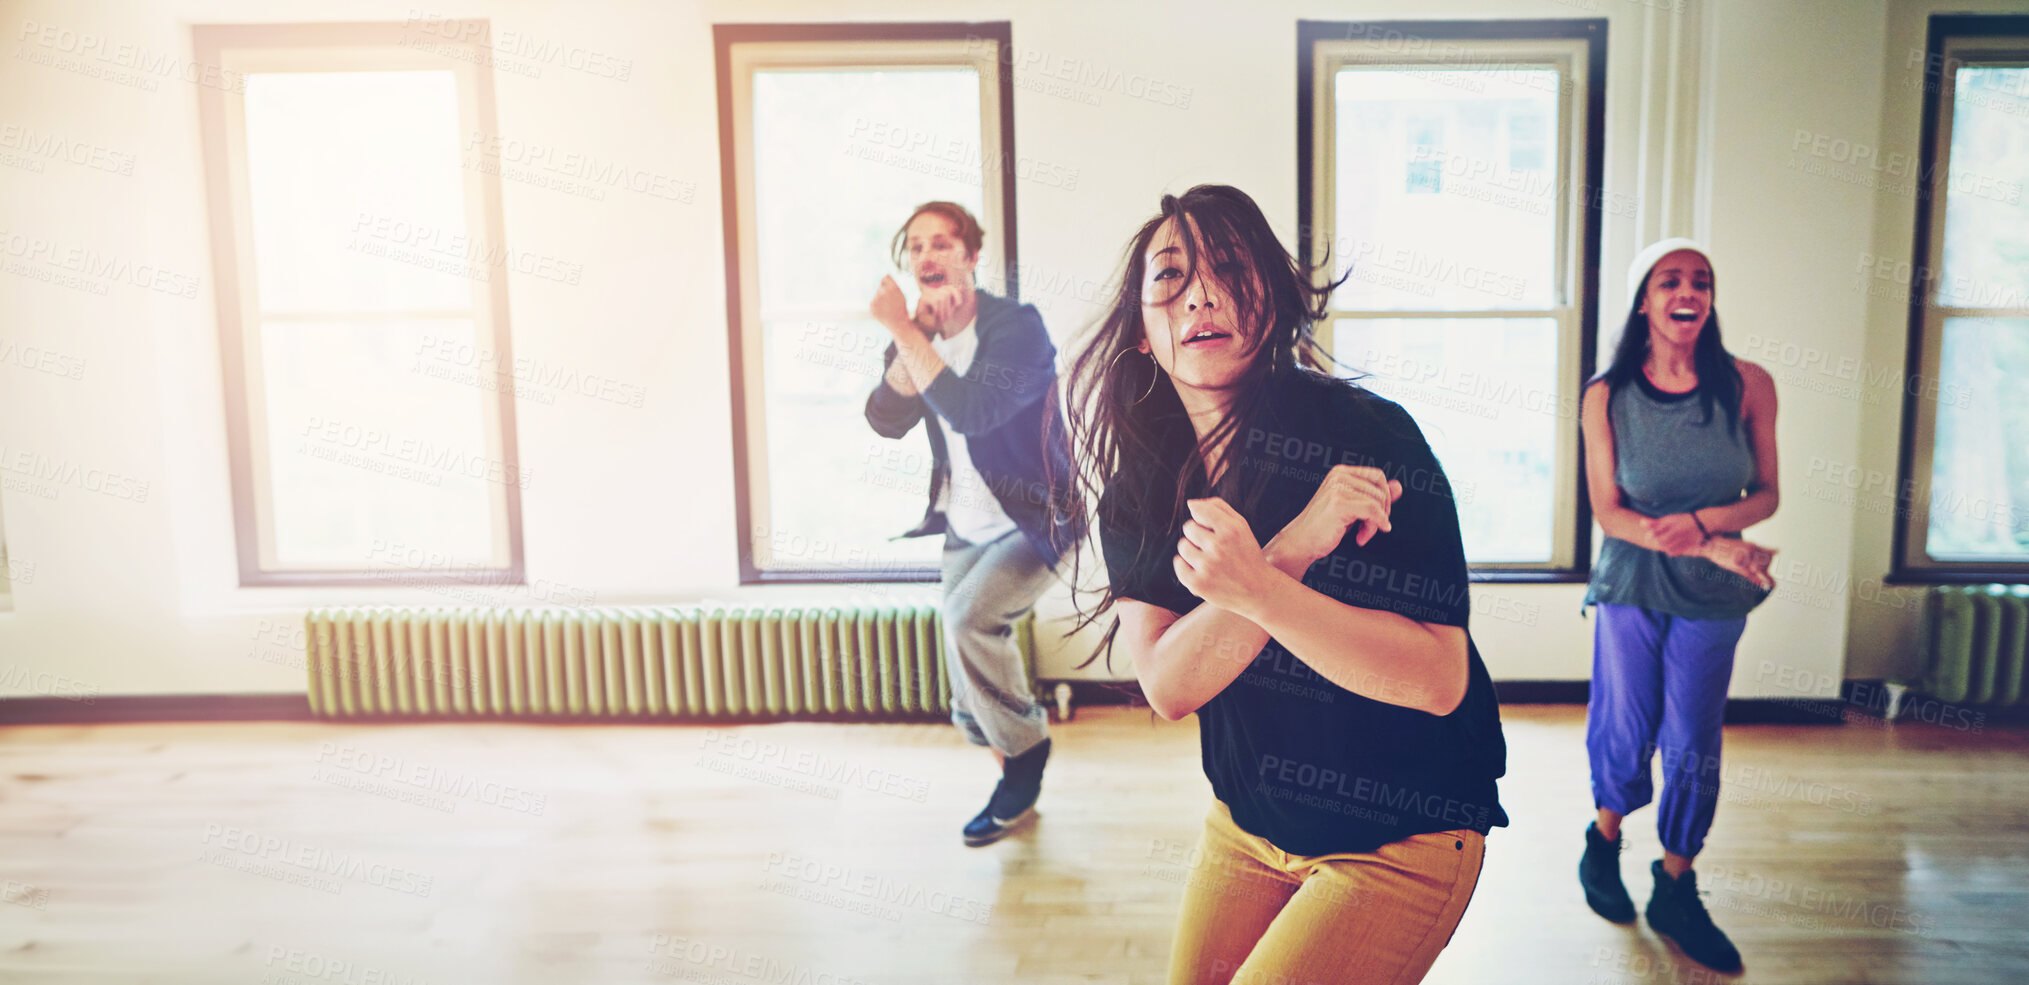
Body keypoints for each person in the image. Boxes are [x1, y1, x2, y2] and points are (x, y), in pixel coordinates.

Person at [1061, 184, 1507, 985]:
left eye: (1228, 267)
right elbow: (1169, 681)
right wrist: (1288, 552)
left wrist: (1257, 590)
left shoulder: (1367, 437)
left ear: (1272, 296)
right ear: (1140, 333)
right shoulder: (1141, 485)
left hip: (1401, 834)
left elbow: (1438, 679)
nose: (1199, 292)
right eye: (1169, 277)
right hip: (1247, 825)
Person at [1575, 237, 1780, 974]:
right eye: (1668, 280)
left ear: (1709, 300)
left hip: (1712, 592)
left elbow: (1765, 494)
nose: (1685, 290)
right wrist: (1709, 543)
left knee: (1692, 736)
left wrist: (1702, 530)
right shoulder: (1606, 394)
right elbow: (1610, 512)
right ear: (1644, 302)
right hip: (1632, 578)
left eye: (1699, 280)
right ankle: (1602, 843)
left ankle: (1674, 882)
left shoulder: (1747, 384)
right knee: (1627, 724)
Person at [863, 201, 1082, 847]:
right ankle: (1015, 793)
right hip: (963, 520)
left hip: (1035, 517)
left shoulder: (1017, 328)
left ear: (970, 255)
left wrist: (905, 330)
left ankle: (1025, 762)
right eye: (916, 246)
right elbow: (884, 417)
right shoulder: (918, 331)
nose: (927, 256)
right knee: (966, 694)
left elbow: (975, 413)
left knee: (968, 623)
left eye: (942, 243)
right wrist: (914, 336)